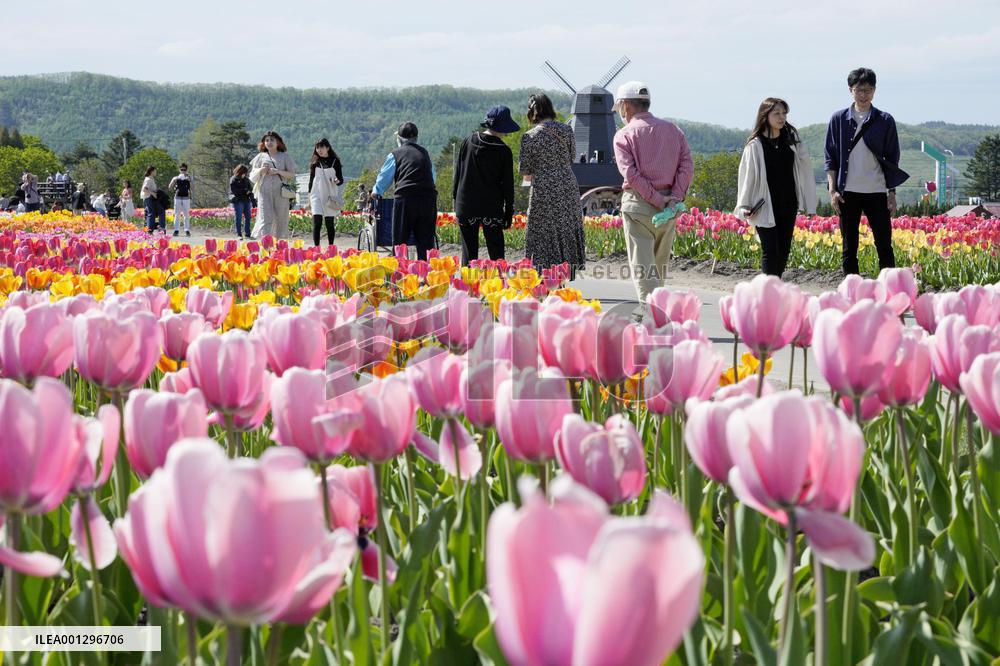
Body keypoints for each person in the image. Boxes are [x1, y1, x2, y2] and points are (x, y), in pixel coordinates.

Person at [611, 81, 693, 302]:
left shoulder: (623, 135)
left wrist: (656, 199)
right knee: (659, 266)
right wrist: (673, 197)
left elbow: (631, 174)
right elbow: (686, 165)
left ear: (625, 106)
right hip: (670, 206)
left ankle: (651, 315)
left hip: (638, 205)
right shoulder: (674, 131)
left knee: (643, 267)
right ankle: (658, 309)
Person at [824, 67, 908, 275]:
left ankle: (889, 288)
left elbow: (892, 158)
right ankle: (850, 289)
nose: (864, 95)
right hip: (847, 191)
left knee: (884, 244)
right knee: (849, 246)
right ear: (850, 90)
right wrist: (832, 190)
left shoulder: (885, 120)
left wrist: (892, 193)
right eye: (859, 90)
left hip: (876, 189)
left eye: (868, 90)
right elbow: (830, 157)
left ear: (875, 90)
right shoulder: (838, 119)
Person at [735, 98, 818, 278]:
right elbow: (747, 177)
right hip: (764, 204)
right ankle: (768, 291)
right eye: (777, 113)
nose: (782, 117)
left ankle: (775, 288)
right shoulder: (755, 145)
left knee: (783, 251)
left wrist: (809, 204)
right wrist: (744, 204)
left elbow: (805, 173)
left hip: (788, 203)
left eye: (784, 113)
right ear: (765, 116)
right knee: (770, 251)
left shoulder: (792, 143)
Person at [518, 93, 586, 273]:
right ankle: (565, 271)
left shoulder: (530, 136)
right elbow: (572, 158)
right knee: (565, 226)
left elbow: (525, 169)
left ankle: (543, 272)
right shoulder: (566, 130)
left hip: (544, 187)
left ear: (533, 111)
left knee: (542, 230)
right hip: (567, 184)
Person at [453, 105, 518, 265]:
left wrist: (456, 201)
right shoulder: (503, 151)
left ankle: (467, 288)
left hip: (466, 205)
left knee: (469, 255)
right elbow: (507, 186)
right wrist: (508, 211)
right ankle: (498, 287)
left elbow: (458, 174)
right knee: (497, 255)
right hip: (491, 207)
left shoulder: (468, 141)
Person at [372, 122, 437, 260]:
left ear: (399, 139)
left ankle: (401, 273)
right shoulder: (424, 153)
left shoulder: (395, 154)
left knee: (400, 241)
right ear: (416, 138)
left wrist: (376, 191)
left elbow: (384, 177)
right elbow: (433, 177)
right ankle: (425, 274)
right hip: (428, 199)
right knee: (426, 242)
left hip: (405, 198)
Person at [249, 130, 297, 239]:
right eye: (266, 140)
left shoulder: (285, 156)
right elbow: (252, 176)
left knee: (280, 218)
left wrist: (278, 171)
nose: (269, 142)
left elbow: (291, 174)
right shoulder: (260, 156)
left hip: (281, 193)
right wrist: (261, 170)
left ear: (278, 142)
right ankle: (266, 246)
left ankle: (279, 245)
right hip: (264, 192)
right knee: (265, 219)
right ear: (263, 143)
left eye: (272, 140)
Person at [308, 138, 344, 247]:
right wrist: (309, 196)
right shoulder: (315, 162)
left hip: (329, 195)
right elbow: (311, 180)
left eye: (322, 147)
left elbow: (340, 179)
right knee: (317, 221)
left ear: (327, 148)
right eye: (317, 147)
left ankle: (331, 247)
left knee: (329, 223)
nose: (319, 150)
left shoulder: (335, 161)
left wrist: (337, 181)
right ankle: (316, 248)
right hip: (316, 194)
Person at [229, 164, 254, 240]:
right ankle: (239, 234)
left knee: (248, 217)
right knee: (238, 217)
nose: (245, 174)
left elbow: (250, 189)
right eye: (244, 172)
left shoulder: (246, 179)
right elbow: (234, 191)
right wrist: (244, 191)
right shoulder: (233, 179)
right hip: (238, 200)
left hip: (246, 200)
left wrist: (251, 197)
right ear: (240, 172)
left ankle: (247, 234)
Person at [169, 163, 193, 237]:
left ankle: (187, 230)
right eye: (181, 170)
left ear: (186, 170)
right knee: (177, 214)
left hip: (186, 198)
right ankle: (176, 230)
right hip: (177, 197)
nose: (183, 171)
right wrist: (175, 181)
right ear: (179, 170)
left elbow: (193, 189)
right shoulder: (175, 178)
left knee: (186, 215)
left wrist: (190, 181)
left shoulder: (189, 178)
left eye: (184, 170)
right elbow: (170, 187)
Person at [141, 166, 166, 233]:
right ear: (151, 172)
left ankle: (151, 229)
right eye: (155, 171)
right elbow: (144, 189)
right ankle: (157, 228)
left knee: (152, 213)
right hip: (149, 198)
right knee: (154, 212)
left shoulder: (150, 179)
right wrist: (153, 194)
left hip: (150, 198)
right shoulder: (148, 179)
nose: (156, 172)